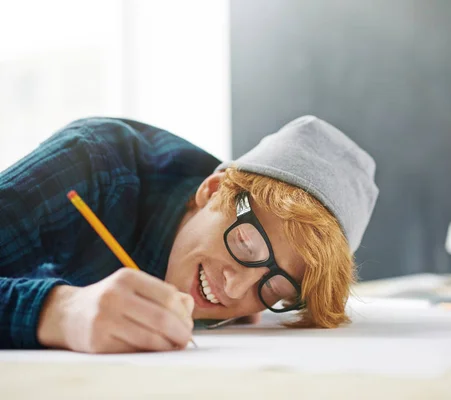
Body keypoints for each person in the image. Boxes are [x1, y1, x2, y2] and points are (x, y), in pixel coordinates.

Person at [0, 115, 378, 353]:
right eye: (247, 243)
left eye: (277, 288)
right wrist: (60, 312)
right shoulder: (94, 162)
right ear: (212, 191)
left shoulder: (245, 291)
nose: (233, 290)